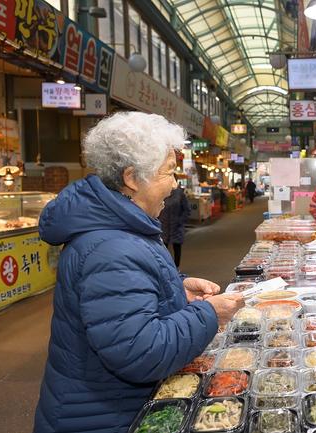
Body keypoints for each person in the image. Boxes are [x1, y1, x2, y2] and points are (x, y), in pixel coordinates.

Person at [33, 112, 245, 433]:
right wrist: (209, 315)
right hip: (103, 419)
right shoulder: (110, 247)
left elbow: (127, 294)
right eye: (169, 172)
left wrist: (177, 287)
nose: (175, 184)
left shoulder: (121, 227)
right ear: (132, 178)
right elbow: (140, 351)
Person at [159, 181, 191, 267]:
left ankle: (176, 268)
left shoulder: (179, 193)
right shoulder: (161, 192)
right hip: (164, 226)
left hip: (176, 226)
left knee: (177, 248)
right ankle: (165, 268)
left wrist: (180, 221)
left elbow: (187, 210)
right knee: (162, 248)